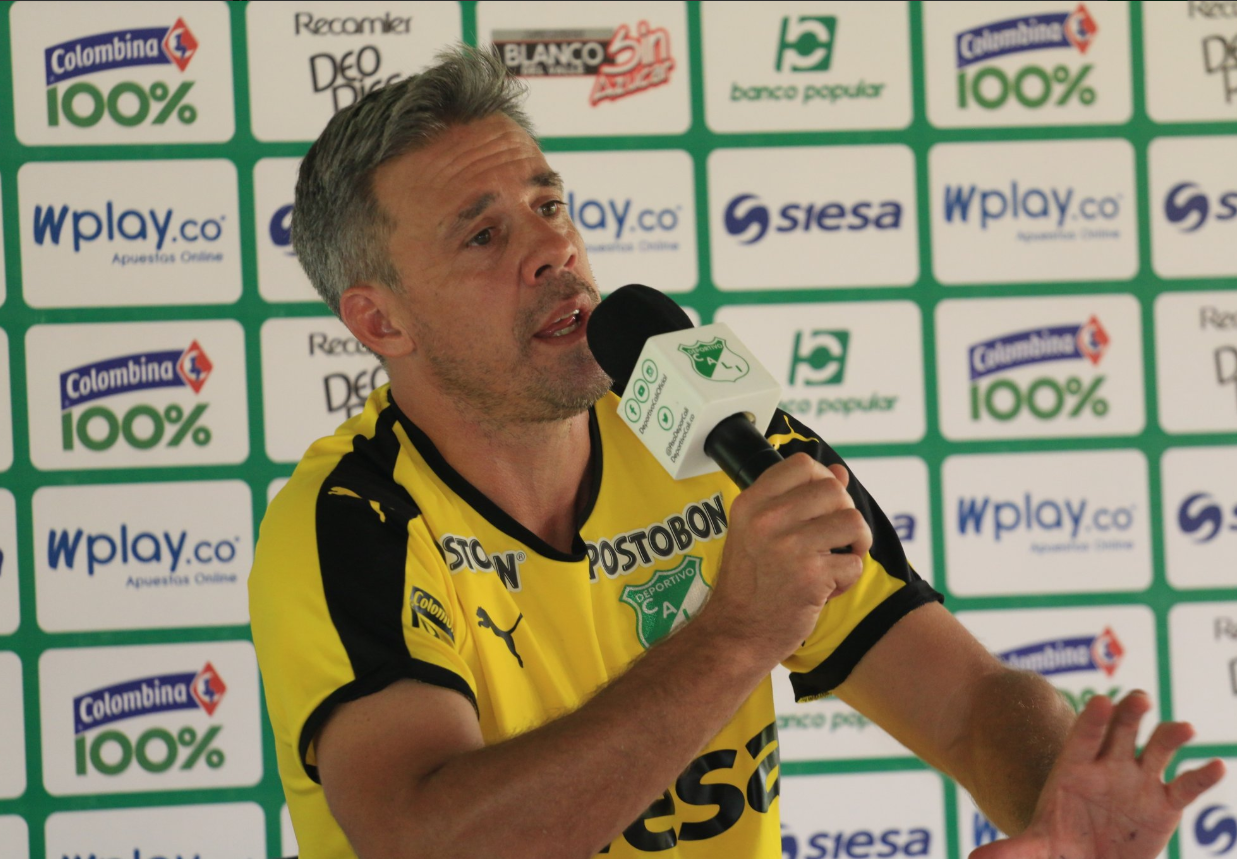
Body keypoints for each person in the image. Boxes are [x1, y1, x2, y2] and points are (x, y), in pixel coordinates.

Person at [248, 47, 1224, 859]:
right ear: (379, 320)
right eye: (482, 235)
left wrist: (1053, 804)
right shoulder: (349, 520)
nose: (551, 251)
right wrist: (736, 632)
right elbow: (425, 841)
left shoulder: (715, 425)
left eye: (548, 205)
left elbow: (967, 700)